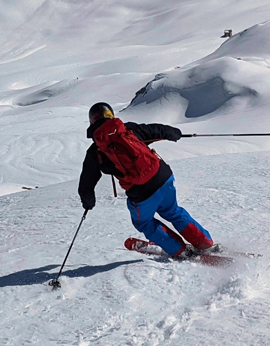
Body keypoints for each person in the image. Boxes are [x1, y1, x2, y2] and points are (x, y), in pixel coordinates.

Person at [78, 102, 216, 258]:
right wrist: (175, 133)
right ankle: (205, 243)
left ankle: (180, 251)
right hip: (163, 177)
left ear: (92, 122)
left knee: (143, 222)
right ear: (111, 115)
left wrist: (88, 202)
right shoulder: (128, 129)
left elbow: (86, 182)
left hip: (141, 192)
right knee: (173, 211)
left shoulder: (95, 151)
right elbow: (157, 131)